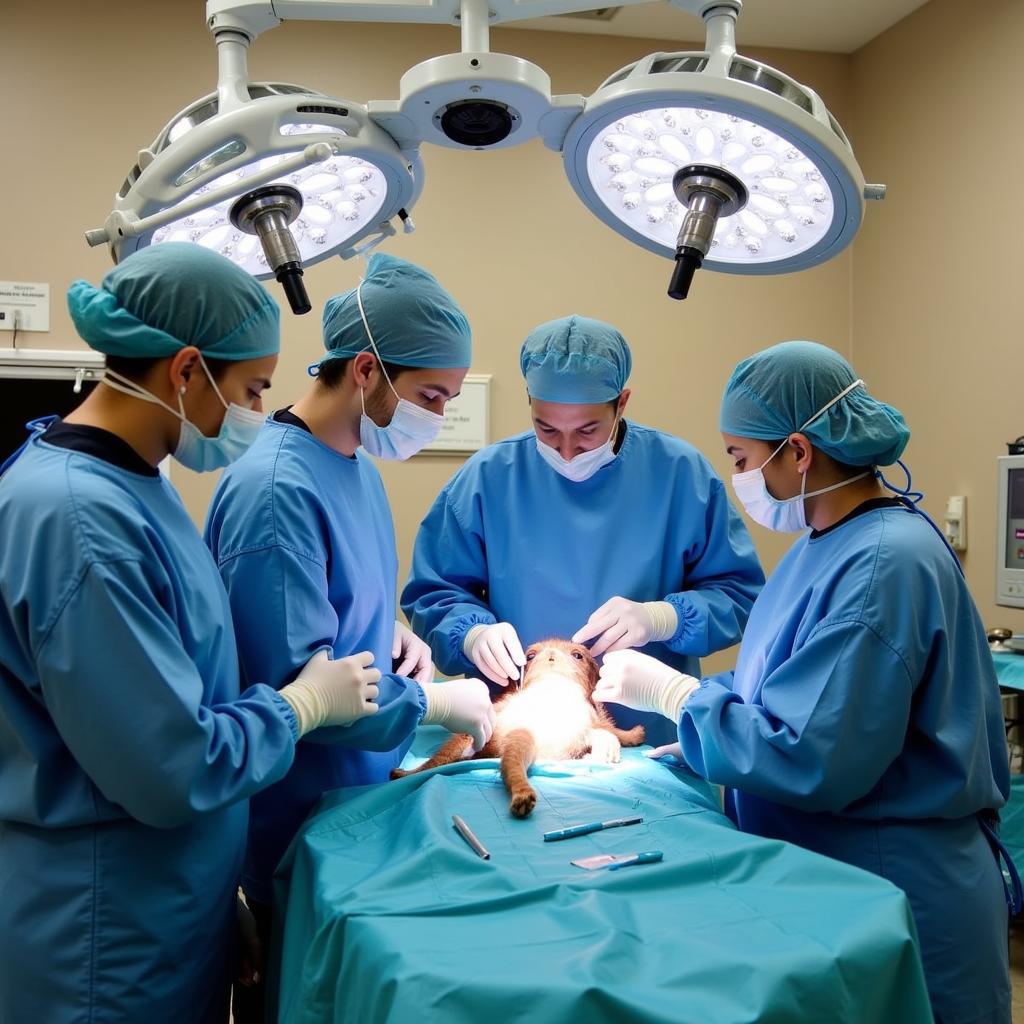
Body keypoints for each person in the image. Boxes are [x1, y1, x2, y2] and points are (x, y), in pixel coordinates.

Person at [0, 243, 382, 1024]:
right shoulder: (78, 519)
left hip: (169, 904)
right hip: (104, 939)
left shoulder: (138, 481)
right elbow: (172, 765)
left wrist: (217, 898)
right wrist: (302, 706)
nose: (253, 410)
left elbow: (179, 689)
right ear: (184, 371)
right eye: (252, 387)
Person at [594, 340, 1013, 1024]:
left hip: (895, 891)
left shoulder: (884, 563)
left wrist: (677, 696)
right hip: (841, 881)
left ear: (797, 450)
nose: (739, 475)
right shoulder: (825, 545)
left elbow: (814, 754)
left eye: (739, 458)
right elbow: (792, 680)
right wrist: (701, 736)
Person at [204, 252, 495, 1023]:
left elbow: (333, 611)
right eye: (432, 394)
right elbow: (297, 686)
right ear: (366, 369)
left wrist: (393, 635)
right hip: (292, 831)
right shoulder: (275, 491)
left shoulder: (353, 464)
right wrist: (434, 702)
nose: (440, 411)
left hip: (352, 811)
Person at [402, 315, 764, 746]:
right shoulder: (488, 479)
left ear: (622, 403)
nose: (567, 450)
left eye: (588, 430)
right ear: (530, 403)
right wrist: (471, 631)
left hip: (642, 733)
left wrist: (664, 618)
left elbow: (738, 594)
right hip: (519, 729)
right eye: (547, 428)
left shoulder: (680, 476)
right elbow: (434, 592)